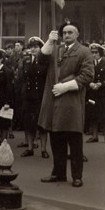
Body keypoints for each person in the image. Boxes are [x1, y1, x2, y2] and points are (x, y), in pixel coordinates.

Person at [39, 22, 94, 188]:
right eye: (64, 32)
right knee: (56, 140)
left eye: (70, 32)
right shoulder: (56, 49)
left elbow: (87, 76)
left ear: (77, 34)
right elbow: (41, 61)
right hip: (55, 103)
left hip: (71, 102)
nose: (67, 35)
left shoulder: (84, 51)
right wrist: (49, 41)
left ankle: (77, 176)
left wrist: (66, 86)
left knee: (75, 142)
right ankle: (58, 173)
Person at [20, 37, 50, 158]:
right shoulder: (26, 61)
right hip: (28, 96)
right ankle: (30, 148)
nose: (33, 49)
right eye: (31, 47)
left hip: (40, 95)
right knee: (28, 123)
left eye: (36, 47)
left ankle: (43, 149)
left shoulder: (45, 61)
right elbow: (23, 78)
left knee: (42, 124)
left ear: (41, 48)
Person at [85, 43, 105, 144]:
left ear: (100, 53)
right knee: (92, 114)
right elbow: (85, 75)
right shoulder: (89, 63)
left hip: (103, 92)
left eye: (96, 53)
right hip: (92, 93)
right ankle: (94, 136)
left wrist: (101, 84)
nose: (93, 54)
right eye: (92, 52)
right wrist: (90, 83)